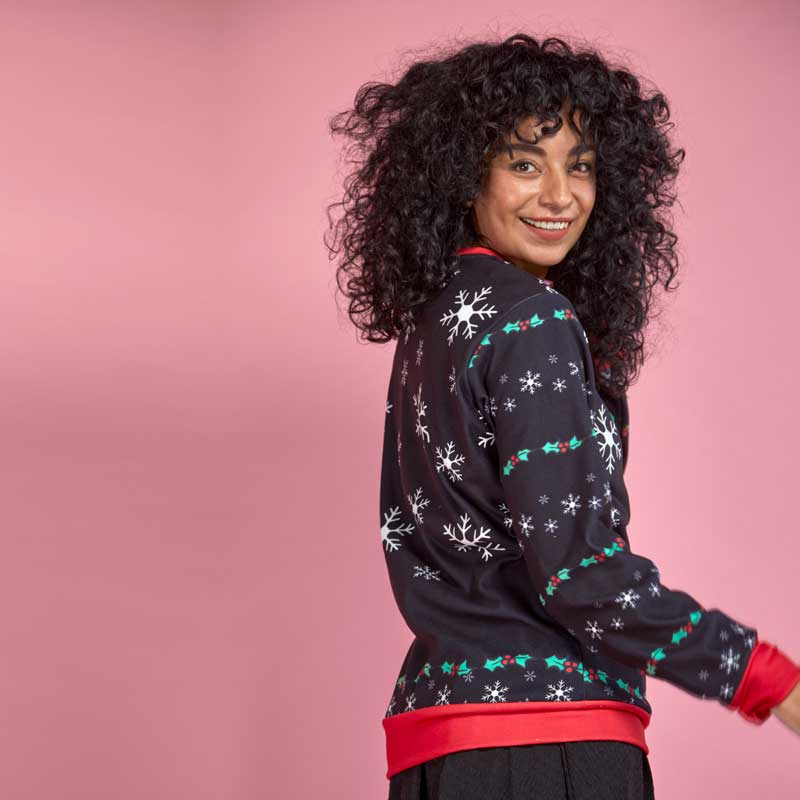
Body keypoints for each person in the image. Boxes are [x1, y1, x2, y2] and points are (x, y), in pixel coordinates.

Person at [324, 33, 800, 799]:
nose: (560, 195)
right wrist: (767, 679)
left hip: (437, 743)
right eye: (525, 164)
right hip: (547, 744)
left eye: (580, 166)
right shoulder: (530, 319)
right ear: (463, 174)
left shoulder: (437, 323)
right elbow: (581, 576)